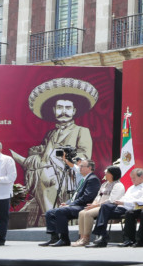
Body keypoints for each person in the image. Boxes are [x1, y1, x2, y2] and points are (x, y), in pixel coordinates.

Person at [11, 78, 97, 226]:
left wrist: (58, 154)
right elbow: (43, 150)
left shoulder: (82, 131)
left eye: (68, 108)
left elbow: (84, 155)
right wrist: (37, 152)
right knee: (40, 170)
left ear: (74, 110)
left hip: (69, 172)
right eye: (59, 107)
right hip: (46, 169)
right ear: (53, 110)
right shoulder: (50, 133)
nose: (63, 111)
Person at [40, 159, 101, 246]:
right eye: (79, 166)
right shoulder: (83, 179)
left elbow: (87, 198)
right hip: (76, 205)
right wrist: (67, 203)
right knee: (50, 213)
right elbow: (75, 196)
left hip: (84, 206)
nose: (79, 168)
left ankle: (64, 239)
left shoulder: (93, 179)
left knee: (60, 211)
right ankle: (54, 238)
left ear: (89, 168)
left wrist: (70, 204)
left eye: (82, 166)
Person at [86, 168, 143, 247]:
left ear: (141, 177)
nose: (132, 180)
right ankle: (102, 235)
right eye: (131, 178)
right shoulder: (131, 187)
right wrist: (118, 201)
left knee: (106, 209)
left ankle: (102, 237)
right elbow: (124, 197)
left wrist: (123, 203)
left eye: (134, 178)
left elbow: (141, 202)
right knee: (105, 206)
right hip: (121, 206)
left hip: (131, 208)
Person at [73, 165, 124, 246]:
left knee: (88, 214)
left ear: (112, 174)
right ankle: (81, 237)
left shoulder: (118, 185)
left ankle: (86, 238)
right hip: (98, 205)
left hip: (108, 207)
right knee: (82, 212)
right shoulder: (104, 184)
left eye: (107, 173)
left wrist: (95, 206)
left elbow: (112, 200)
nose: (105, 174)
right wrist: (93, 204)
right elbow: (98, 196)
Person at [0, 140, 17, 246]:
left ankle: (0, 239)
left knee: (3, 218)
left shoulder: (7, 160)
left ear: (0, 149)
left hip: (2, 194)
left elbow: (12, 177)